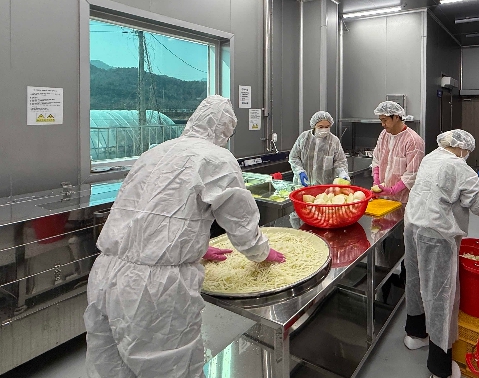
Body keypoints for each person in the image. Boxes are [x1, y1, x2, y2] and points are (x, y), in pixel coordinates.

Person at [84, 96, 285, 378]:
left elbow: (152, 213)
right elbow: (240, 220)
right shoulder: (216, 158)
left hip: (105, 274)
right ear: (224, 130)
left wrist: (198, 248)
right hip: (153, 290)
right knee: (172, 370)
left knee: (108, 369)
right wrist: (261, 252)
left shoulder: (153, 153)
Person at [402, 130, 479, 378]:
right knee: (441, 296)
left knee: (415, 281)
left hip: (413, 225)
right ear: (464, 148)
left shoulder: (430, 158)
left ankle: (415, 334)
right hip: (437, 234)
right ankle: (440, 368)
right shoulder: (461, 168)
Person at [371, 101, 425, 204]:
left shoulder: (413, 141)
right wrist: (376, 180)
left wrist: (393, 190)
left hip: (404, 201)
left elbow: (412, 174)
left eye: (385, 120)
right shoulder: (384, 135)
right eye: (381, 120)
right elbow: (377, 160)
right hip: (383, 199)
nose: (383, 124)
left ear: (396, 117)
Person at [289, 111, 349, 186]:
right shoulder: (304, 138)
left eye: (327, 127)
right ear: (314, 126)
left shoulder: (334, 141)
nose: (324, 129)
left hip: (324, 187)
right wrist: (299, 171)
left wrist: (343, 174)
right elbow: (294, 157)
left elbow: (340, 161)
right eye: (320, 127)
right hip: (303, 185)